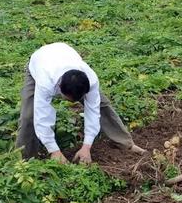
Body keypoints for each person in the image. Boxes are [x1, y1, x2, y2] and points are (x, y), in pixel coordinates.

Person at [15, 42, 146, 164]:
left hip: (63, 54)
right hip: (39, 64)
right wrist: (54, 151)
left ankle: (125, 143)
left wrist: (86, 147)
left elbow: (93, 111)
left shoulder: (91, 79)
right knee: (28, 116)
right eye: (70, 99)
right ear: (59, 87)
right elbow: (42, 117)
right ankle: (26, 161)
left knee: (102, 105)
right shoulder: (45, 82)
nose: (73, 103)